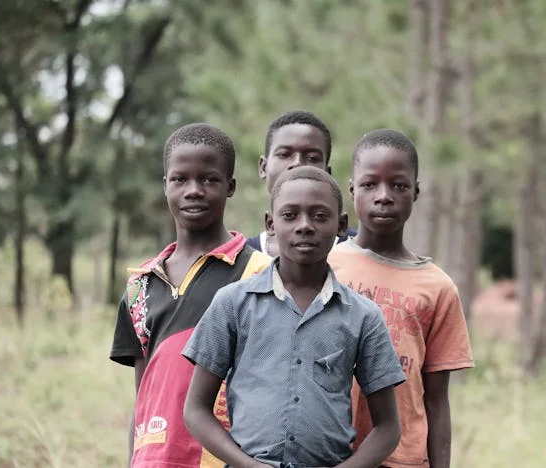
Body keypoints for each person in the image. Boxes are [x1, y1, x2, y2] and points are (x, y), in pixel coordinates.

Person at [183, 166, 405, 468]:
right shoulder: (233, 303)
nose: (305, 226)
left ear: (341, 226)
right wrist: (247, 464)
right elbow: (196, 409)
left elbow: (388, 428)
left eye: (319, 216)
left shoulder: (363, 316)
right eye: (290, 215)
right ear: (270, 224)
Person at [110, 123, 271, 468]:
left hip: (229, 457)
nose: (193, 190)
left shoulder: (259, 273)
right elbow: (145, 395)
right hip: (156, 458)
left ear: (230, 187)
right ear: (165, 185)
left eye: (209, 180)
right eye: (180, 179)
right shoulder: (140, 285)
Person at [328, 129, 474, 468]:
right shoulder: (325, 267)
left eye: (398, 185)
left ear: (416, 192)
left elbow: (437, 399)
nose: (384, 196)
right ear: (351, 190)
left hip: (404, 458)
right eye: (369, 185)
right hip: (330, 453)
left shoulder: (438, 287)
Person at [247, 110, 355, 256]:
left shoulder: (357, 251)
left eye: (312, 157)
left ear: (327, 173)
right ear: (263, 167)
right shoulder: (241, 258)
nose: (297, 163)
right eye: (284, 154)